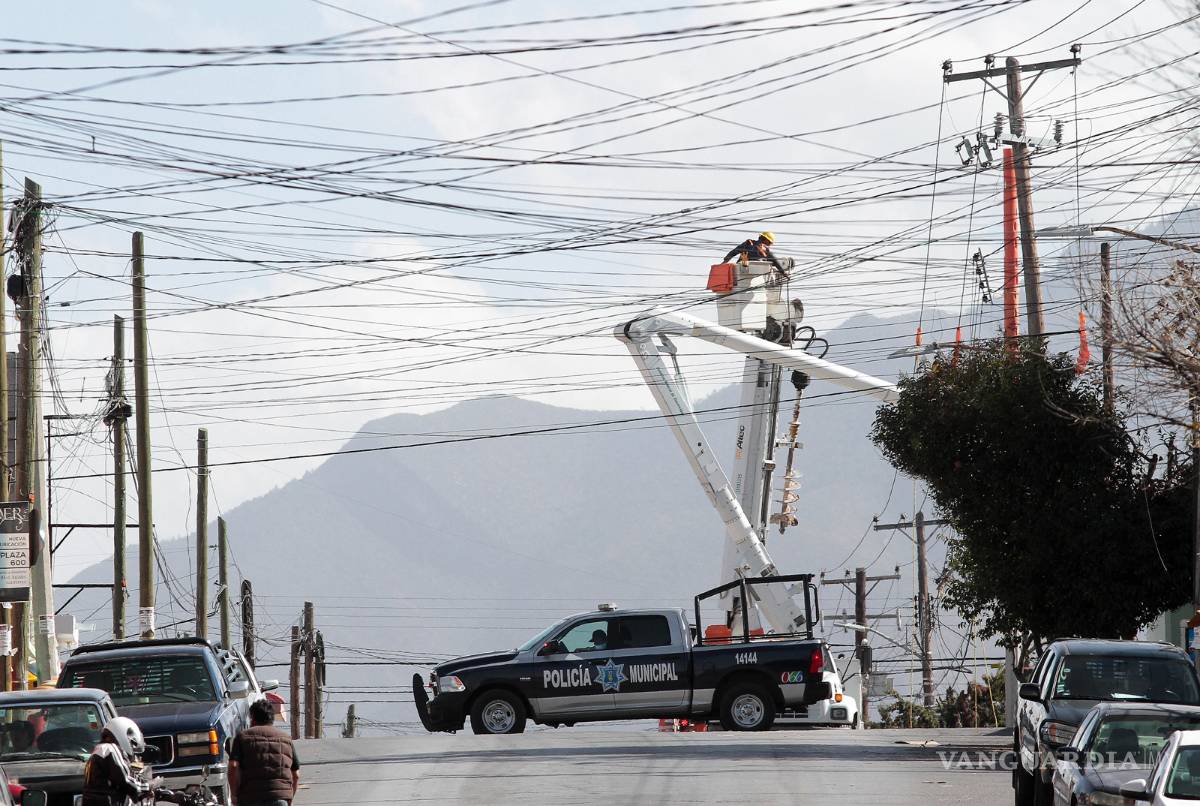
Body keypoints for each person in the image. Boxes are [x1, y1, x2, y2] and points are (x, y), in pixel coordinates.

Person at [229, 698, 300, 806]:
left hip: (251, 797)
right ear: (272, 719)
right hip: (280, 798)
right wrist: (289, 797)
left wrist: (234, 795)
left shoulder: (242, 737)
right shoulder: (286, 739)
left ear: (252, 719)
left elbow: (234, 766)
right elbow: (296, 774)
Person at [81, 716, 153, 806]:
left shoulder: (100, 750)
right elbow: (125, 780)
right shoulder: (109, 748)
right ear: (122, 733)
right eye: (131, 742)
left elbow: (129, 775)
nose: (131, 745)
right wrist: (148, 786)